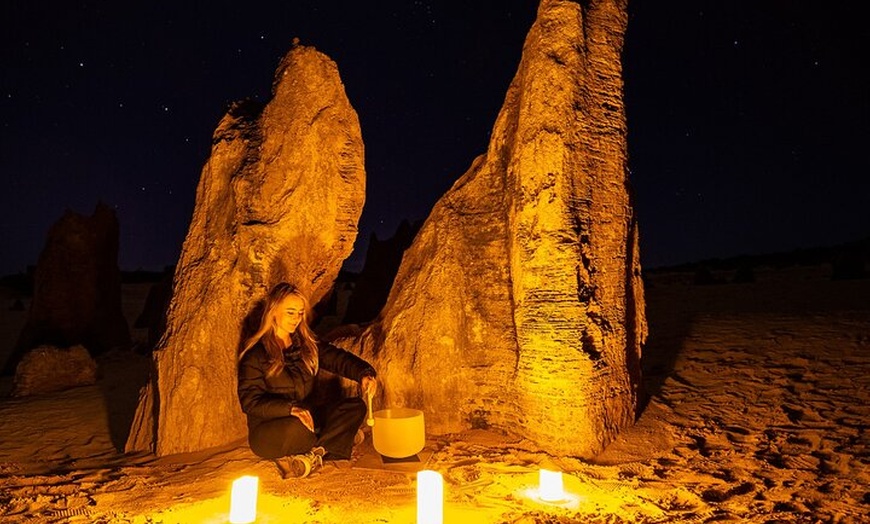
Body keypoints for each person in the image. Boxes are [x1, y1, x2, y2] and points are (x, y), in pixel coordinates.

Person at [238, 282, 378, 478]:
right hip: (270, 429)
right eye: (290, 312)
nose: (296, 318)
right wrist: (290, 409)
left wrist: (364, 373)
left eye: (300, 313)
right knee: (299, 429)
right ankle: (337, 440)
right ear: (274, 311)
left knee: (355, 407)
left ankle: (315, 454)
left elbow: (337, 359)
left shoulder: (305, 344)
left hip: (307, 416)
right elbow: (250, 402)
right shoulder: (255, 355)